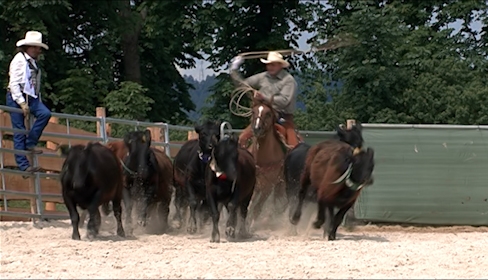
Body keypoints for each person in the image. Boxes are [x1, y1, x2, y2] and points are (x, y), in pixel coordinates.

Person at [229, 51, 303, 148]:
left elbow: (284, 101)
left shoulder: (288, 80)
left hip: (282, 117)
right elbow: (243, 85)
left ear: (280, 65)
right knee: (242, 139)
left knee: (294, 145)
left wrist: (263, 97)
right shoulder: (262, 76)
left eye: (273, 65)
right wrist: (234, 70)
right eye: (268, 65)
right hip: (262, 116)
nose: (270, 67)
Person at [6, 31, 51, 175]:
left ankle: (30, 142)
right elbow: (14, 83)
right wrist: (21, 102)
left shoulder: (32, 62)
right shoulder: (19, 60)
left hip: (31, 96)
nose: (38, 50)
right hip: (17, 96)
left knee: (45, 114)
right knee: (19, 130)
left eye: (39, 48)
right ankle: (23, 165)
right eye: (36, 47)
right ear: (28, 47)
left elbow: (33, 83)